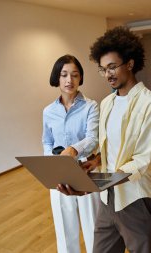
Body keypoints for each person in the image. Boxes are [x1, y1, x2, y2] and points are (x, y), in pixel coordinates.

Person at [58, 26, 151, 253]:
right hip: (108, 198)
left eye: (112, 67)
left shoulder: (150, 104)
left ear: (130, 63)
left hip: (136, 198)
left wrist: (94, 184)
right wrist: (95, 161)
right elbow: (109, 144)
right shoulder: (107, 103)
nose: (108, 74)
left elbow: (141, 161)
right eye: (103, 69)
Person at [42, 54, 99, 253]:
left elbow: (93, 139)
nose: (69, 80)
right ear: (57, 78)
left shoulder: (91, 106)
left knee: (93, 227)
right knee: (65, 232)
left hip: (85, 169)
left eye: (75, 75)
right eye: (64, 75)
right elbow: (47, 142)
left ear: (80, 78)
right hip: (58, 172)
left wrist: (74, 150)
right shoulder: (48, 111)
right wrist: (52, 162)